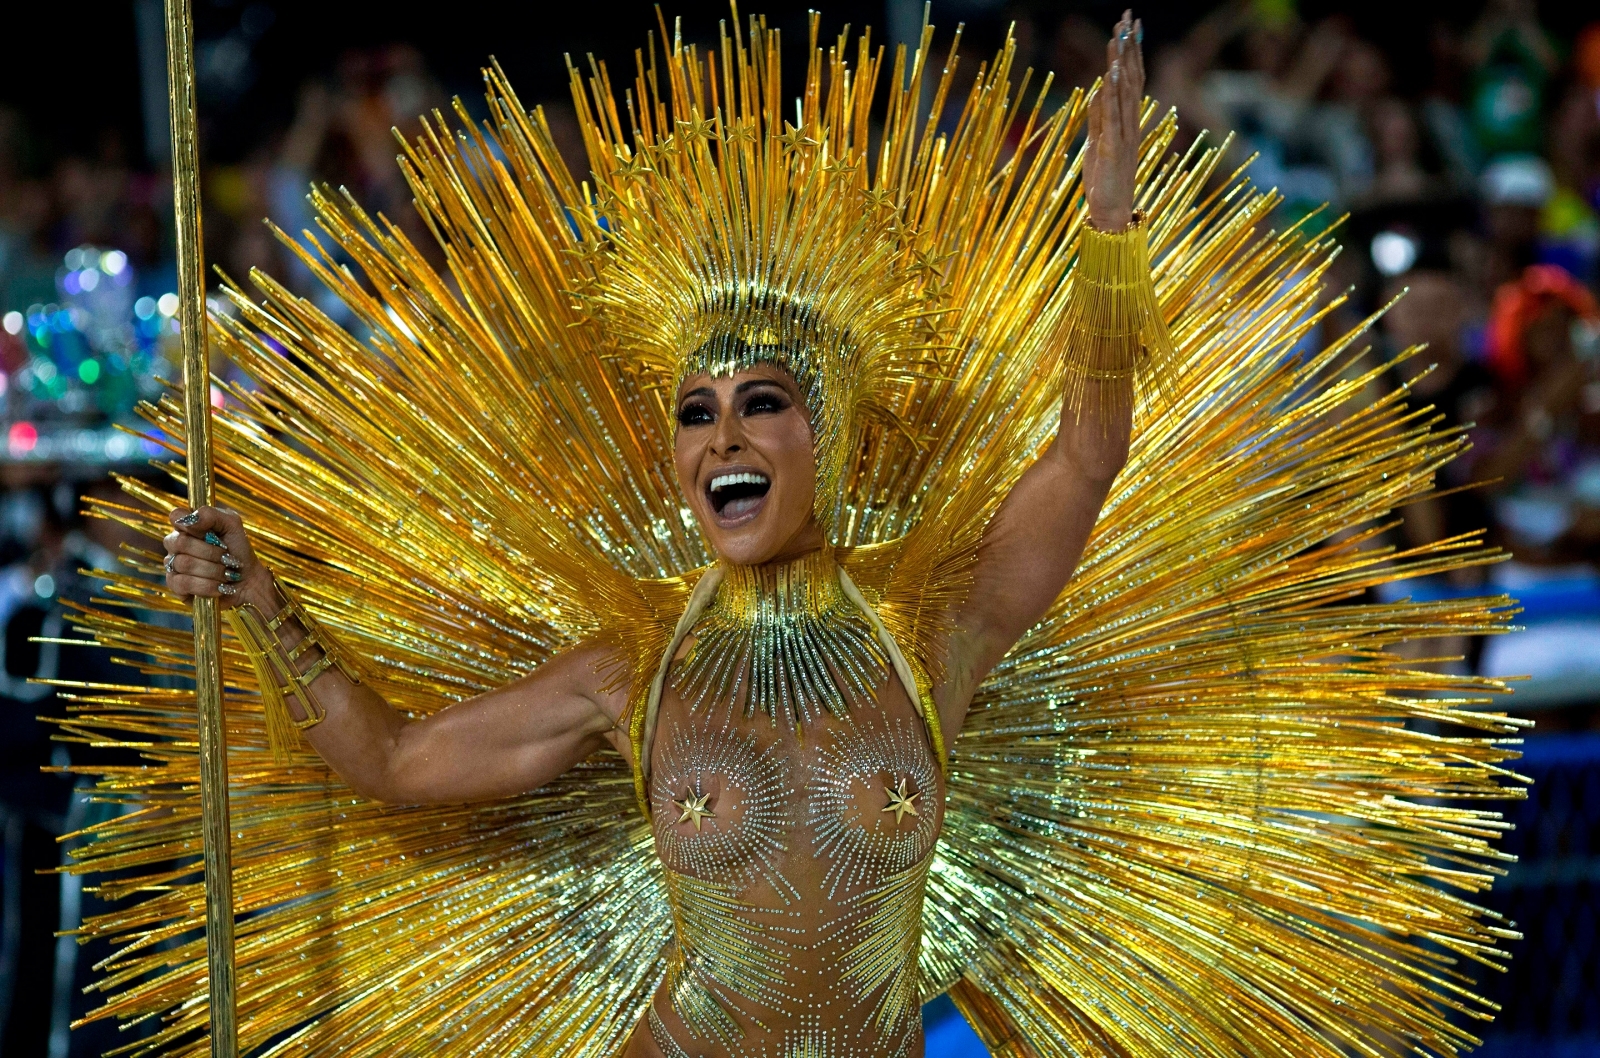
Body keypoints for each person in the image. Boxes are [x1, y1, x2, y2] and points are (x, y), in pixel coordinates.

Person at [60, 9, 1521, 1058]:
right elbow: (383, 761)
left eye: (762, 404)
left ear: (826, 438)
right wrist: (256, 596)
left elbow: (1090, 450)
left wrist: (1113, 224)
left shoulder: (930, 626)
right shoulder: (625, 667)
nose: (725, 438)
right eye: (697, 415)